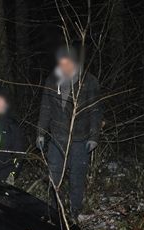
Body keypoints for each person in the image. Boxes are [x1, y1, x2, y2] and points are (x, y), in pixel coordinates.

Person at [36, 45, 102, 218]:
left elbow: (95, 111)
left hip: (80, 138)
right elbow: (45, 108)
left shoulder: (89, 81)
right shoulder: (52, 81)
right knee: (54, 174)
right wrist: (41, 133)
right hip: (56, 136)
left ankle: (74, 211)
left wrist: (94, 137)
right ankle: (54, 210)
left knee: (77, 176)